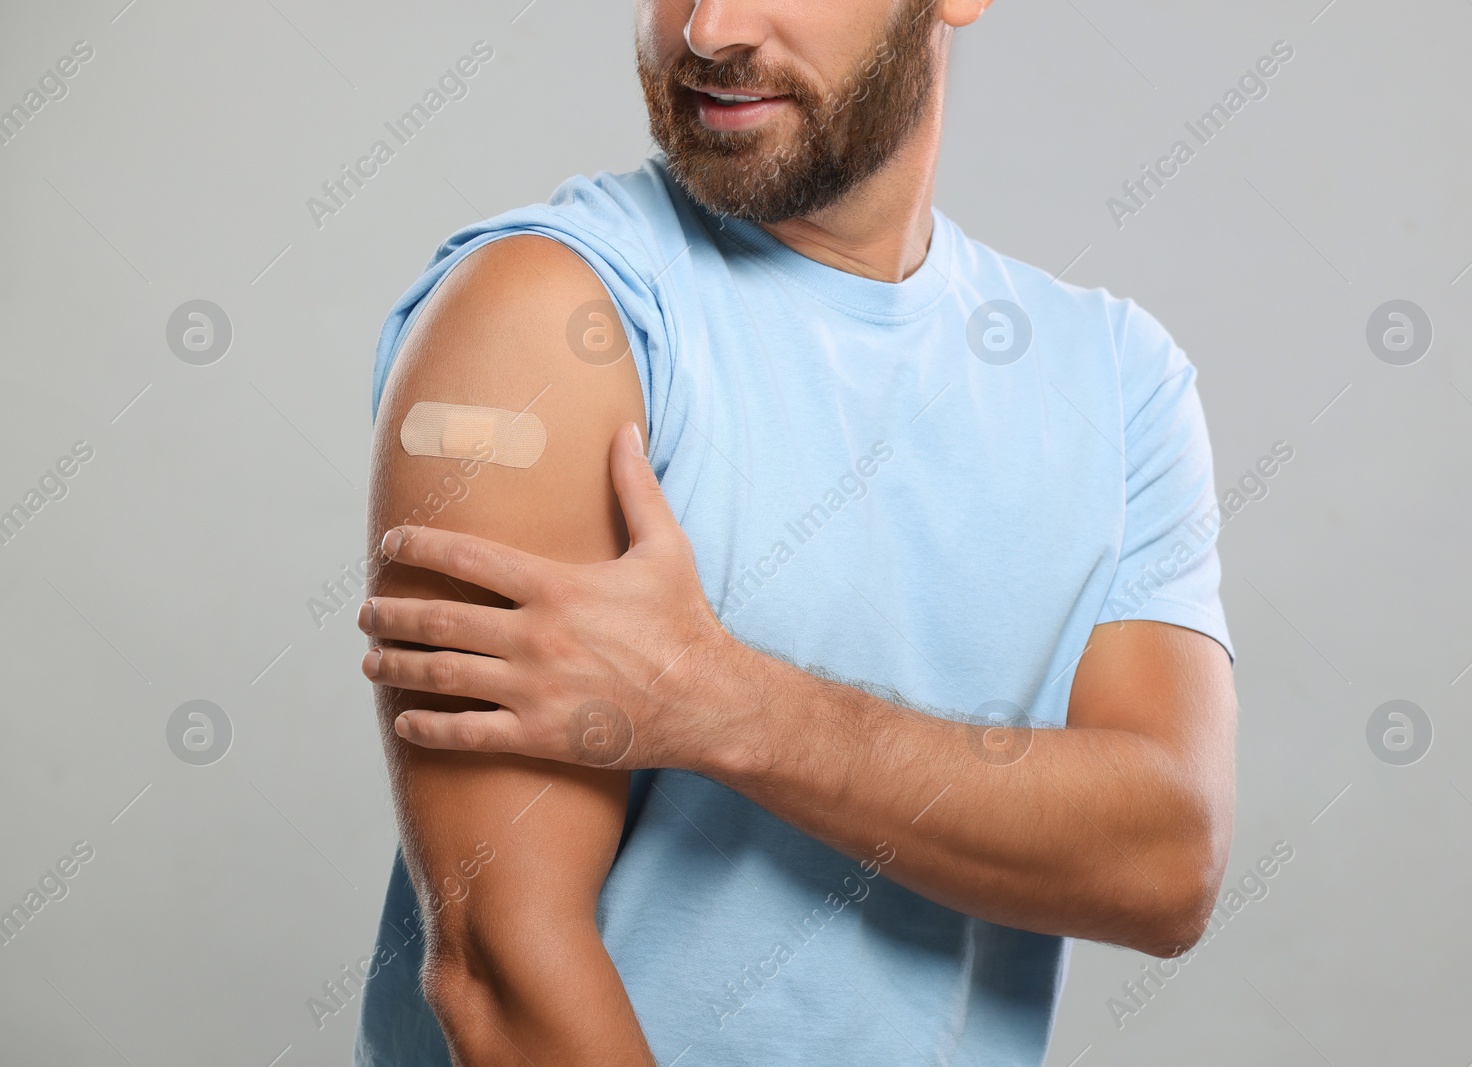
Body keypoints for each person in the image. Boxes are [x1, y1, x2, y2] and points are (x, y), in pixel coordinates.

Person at [352, 1, 1237, 1063]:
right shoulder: (547, 320)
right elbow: (501, 974)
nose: (709, 28)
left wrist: (715, 700)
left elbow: (1163, 863)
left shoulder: (1115, 378)